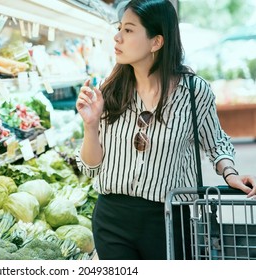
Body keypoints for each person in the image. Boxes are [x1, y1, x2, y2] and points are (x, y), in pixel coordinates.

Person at [75, 0, 256, 260]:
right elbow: (91, 167)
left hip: (169, 217)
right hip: (112, 218)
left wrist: (231, 174)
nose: (117, 37)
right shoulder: (109, 90)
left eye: (128, 30)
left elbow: (215, 142)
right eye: (119, 28)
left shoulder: (193, 92)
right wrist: (90, 126)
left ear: (156, 42)